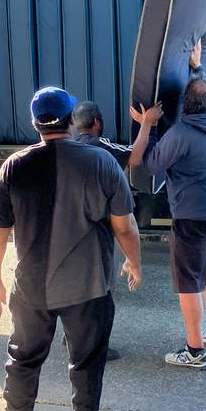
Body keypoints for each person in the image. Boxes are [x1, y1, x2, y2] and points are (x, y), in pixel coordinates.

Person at [0, 86, 142, 411]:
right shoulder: (101, 163)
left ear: (35, 123)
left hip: (32, 288)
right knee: (86, 364)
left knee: (22, 361)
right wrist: (133, 262)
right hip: (88, 286)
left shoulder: (15, 165)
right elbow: (124, 226)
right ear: (72, 120)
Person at [129, 41, 206, 369]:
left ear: (185, 107)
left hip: (191, 214)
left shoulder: (180, 134)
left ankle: (194, 351)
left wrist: (147, 123)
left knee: (189, 280)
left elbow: (149, 164)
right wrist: (198, 67)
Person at [71, 100, 132, 362]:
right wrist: (148, 125)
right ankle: (97, 347)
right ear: (96, 123)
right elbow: (135, 154)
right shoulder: (101, 148)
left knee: (77, 286)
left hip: (72, 230)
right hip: (98, 233)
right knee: (103, 291)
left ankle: (71, 336)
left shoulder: (69, 149)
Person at [72, 100, 133, 169]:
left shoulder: (73, 148)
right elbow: (134, 157)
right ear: (96, 121)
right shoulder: (98, 144)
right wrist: (146, 122)